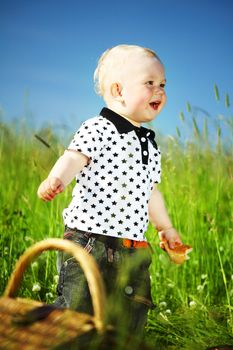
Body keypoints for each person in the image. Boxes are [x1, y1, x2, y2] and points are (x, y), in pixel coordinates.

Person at [37, 44, 182, 337]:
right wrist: (57, 179)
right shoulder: (98, 128)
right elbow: (74, 157)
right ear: (118, 91)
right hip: (91, 240)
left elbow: (150, 192)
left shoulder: (151, 146)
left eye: (163, 84)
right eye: (149, 83)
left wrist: (165, 227)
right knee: (77, 309)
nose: (160, 91)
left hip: (132, 248)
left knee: (130, 317)